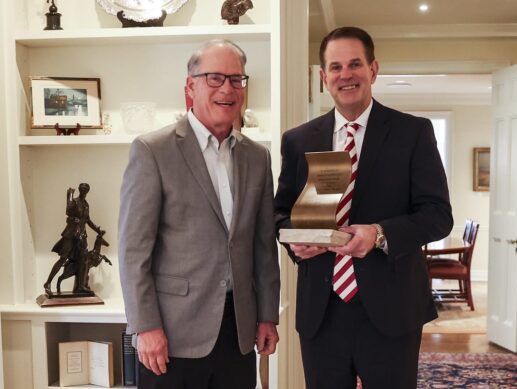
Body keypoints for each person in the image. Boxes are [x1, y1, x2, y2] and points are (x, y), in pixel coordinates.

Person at [274, 26, 452, 389]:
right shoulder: (298, 140)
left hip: (392, 310)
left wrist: (380, 234)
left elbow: (438, 216)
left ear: (373, 69)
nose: (346, 75)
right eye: (335, 67)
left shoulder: (413, 133)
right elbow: (279, 214)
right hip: (321, 310)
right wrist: (295, 241)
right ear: (324, 77)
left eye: (355, 64)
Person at [119, 39, 280, 389]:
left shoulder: (258, 157)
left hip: (238, 333)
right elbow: (133, 252)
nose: (227, 89)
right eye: (215, 78)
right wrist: (146, 326)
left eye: (236, 79)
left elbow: (264, 247)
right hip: (172, 335)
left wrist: (267, 315)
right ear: (190, 87)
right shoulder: (152, 150)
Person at [46, 183, 103, 295]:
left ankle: (81, 286)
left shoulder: (86, 204)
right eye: (82, 189)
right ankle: (47, 283)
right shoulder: (74, 201)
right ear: (79, 190)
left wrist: (97, 230)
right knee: (62, 259)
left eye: (85, 189)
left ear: (88, 191)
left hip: (82, 235)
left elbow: (87, 220)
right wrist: (69, 196)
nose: (83, 191)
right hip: (71, 234)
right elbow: (68, 211)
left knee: (83, 260)